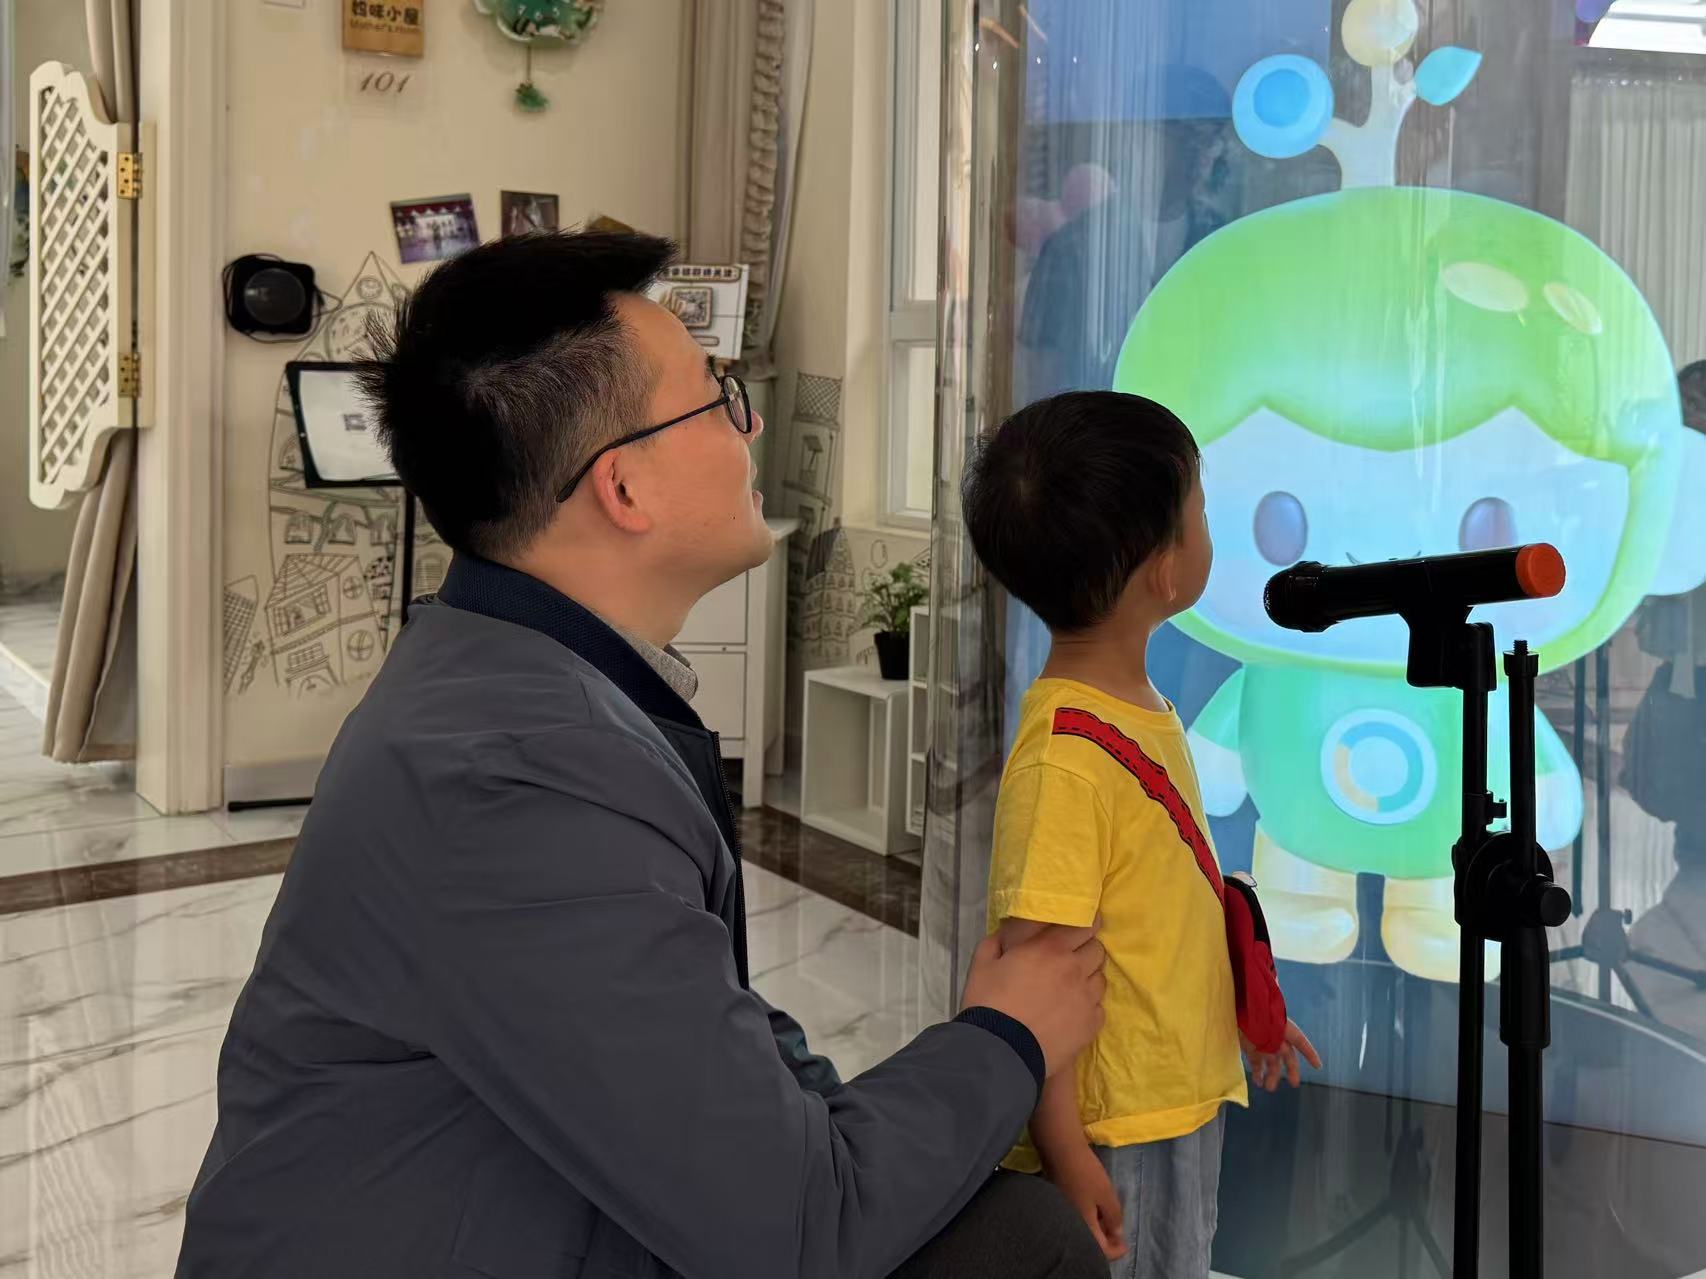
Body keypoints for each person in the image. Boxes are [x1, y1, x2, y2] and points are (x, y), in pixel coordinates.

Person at [176, 231, 1110, 1278]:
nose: (750, 426)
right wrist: (1008, 1035)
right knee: (1023, 1244)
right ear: (622, 489)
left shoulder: (513, 678)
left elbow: (686, 1013)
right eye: (716, 400)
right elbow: (795, 1228)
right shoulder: (516, 784)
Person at [962, 391, 1321, 1277]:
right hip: (1112, 1125)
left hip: (1171, 1095)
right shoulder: (1066, 759)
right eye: (1200, 510)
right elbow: (1034, 972)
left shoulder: (1136, 706)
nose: (1209, 528)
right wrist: (1065, 1149)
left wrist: (1244, 1010)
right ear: (1163, 571)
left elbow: (1163, 905)